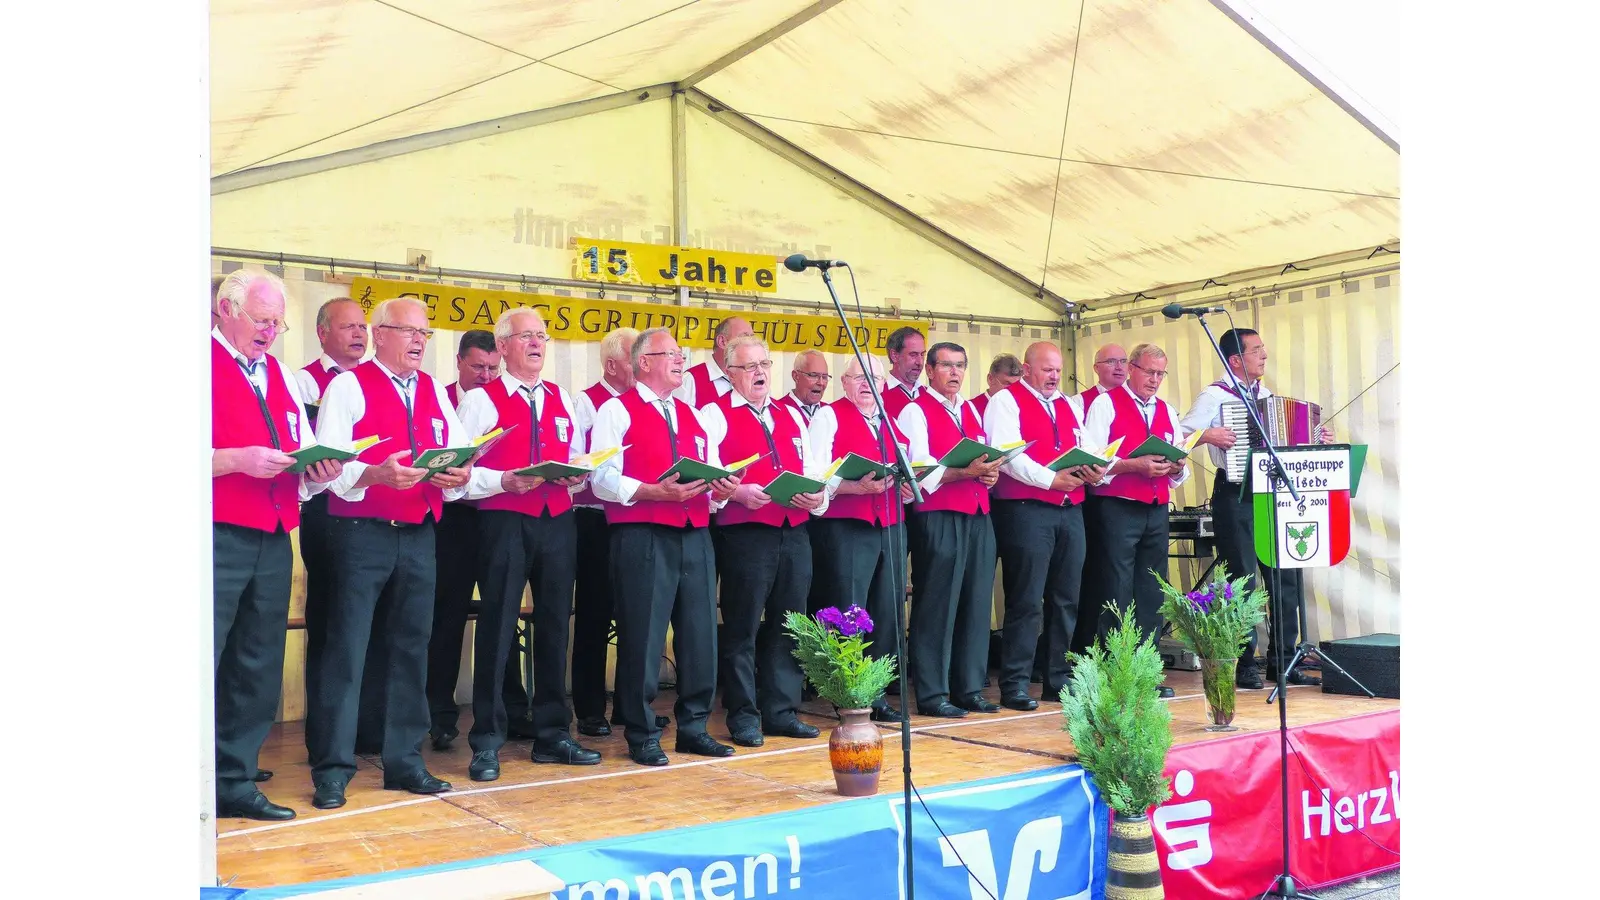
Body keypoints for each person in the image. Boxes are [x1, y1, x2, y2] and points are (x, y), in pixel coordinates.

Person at [307, 297, 472, 809]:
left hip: (420, 531)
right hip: (361, 532)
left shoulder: (432, 391)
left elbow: (461, 450)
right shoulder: (347, 385)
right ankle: (333, 769)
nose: (420, 341)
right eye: (408, 331)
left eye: (425, 333)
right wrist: (375, 473)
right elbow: (330, 466)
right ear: (380, 335)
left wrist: (458, 475)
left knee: (410, 648)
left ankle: (404, 760)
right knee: (347, 649)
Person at [211, 268, 343, 820]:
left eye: (277, 323)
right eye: (261, 320)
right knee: (198, 657)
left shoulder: (283, 377)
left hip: (273, 533)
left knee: (258, 660)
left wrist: (319, 470)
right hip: (212, 533)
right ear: (226, 311)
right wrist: (233, 460)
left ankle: (233, 778)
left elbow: (302, 446)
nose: (270, 332)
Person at [456, 310, 600, 780]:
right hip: (503, 523)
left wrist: (580, 473)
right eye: (526, 337)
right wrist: (501, 480)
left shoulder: (564, 399)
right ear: (503, 346)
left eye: (542, 336)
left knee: (556, 624)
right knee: (498, 626)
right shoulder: (481, 400)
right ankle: (487, 739)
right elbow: (456, 475)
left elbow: (579, 457)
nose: (537, 343)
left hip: (558, 521)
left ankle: (553, 732)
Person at [590, 328, 742, 766]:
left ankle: (694, 728)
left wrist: (722, 490)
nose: (680, 360)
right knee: (644, 634)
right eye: (671, 354)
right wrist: (655, 492)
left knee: (698, 636)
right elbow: (601, 479)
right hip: (643, 533)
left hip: (694, 532)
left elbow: (710, 485)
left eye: (681, 353)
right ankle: (640, 732)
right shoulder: (617, 411)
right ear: (643, 362)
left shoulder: (695, 414)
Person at [1181, 327, 1334, 689]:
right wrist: (1207, 435)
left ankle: (1283, 659)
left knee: (1284, 579)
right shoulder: (1214, 396)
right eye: (1257, 350)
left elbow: (1286, 440)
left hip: (1271, 495)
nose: (1264, 355)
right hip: (1235, 494)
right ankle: (1245, 662)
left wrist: (1316, 437)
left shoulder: (1265, 396)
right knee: (1243, 580)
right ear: (1235, 360)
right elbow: (1178, 433)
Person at [700, 336, 828, 745]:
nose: (759, 373)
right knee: (741, 627)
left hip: (794, 532)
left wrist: (817, 496)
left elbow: (814, 471)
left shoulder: (791, 415)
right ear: (731, 374)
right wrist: (736, 493)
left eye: (764, 365)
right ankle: (743, 715)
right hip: (745, 533)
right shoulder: (713, 414)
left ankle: (782, 710)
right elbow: (707, 477)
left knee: (789, 625)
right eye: (748, 367)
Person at [424, 330, 534, 752]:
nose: (486, 376)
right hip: (452, 522)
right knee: (447, 617)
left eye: (492, 368)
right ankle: (440, 714)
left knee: (502, 614)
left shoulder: (510, 399)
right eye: (477, 367)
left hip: (500, 520)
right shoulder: (442, 400)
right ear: (458, 362)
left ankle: (512, 707)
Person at [983, 342, 1103, 710]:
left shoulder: (1068, 404)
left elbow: (1088, 446)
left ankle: (1057, 679)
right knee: (1026, 598)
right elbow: (1007, 455)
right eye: (1046, 369)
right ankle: (1015, 683)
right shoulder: (1005, 401)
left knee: (1066, 597)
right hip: (1026, 508)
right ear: (1026, 368)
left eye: (1057, 369)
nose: (1053, 376)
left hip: (1071, 509)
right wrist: (1050, 480)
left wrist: (1096, 469)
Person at [805, 355, 916, 722]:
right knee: (850, 608)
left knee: (887, 609)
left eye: (875, 378)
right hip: (847, 525)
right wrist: (853, 485)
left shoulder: (889, 419)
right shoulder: (829, 415)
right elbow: (816, 471)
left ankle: (876, 692)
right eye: (859, 377)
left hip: (890, 523)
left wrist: (907, 487)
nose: (868, 384)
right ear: (845, 381)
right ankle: (847, 692)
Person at [896, 342, 1003, 717]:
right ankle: (932, 693)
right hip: (939, 514)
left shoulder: (971, 408)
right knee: (937, 603)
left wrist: (988, 474)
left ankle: (969, 687)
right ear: (930, 370)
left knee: (976, 602)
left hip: (977, 512)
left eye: (961, 365)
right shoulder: (915, 410)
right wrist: (965, 472)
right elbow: (919, 468)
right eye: (947, 366)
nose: (955, 373)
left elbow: (984, 456)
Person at [1083, 343, 1191, 699]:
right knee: (1115, 588)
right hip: (1117, 506)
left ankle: (1145, 668)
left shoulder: (1166, 409)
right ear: (1131, 368)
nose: (1155, 380)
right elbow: (1093, 459)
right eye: (1149, 372)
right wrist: (1133, 465)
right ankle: (1116, 669)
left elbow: (1180, 462)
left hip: (1157, 507)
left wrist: (1177, 466)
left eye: (1161, 374)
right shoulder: (1105, 403)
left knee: (1150, 590)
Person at [294, 296, 373, 758]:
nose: (359, 335)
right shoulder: (306, 380)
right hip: (324, 511)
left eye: (363, 326)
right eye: (348, 327)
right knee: (331, 624)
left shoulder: (377, 381)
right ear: (323, 332)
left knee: (370, 624)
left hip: (368, 513)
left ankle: (367, 727)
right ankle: (324, 737)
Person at [570, 326, 640, 738]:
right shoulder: (586, 402)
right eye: (635, 356)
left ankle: (630, 706)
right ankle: (590, 707)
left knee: (635, 615)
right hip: (595, 521)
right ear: (613, 364)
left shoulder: (649, 404)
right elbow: (580, 462)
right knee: (595, 614)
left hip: (635, 517)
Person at [1065, 343, 1131, 665]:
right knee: (1088, 576)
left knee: (1112, 578)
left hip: (1122, 502)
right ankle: (1082, 646)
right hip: (1088, 501)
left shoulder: (1140, 403)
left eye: (1123, 361)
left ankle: (1111, 647)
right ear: (1096, 367)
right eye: (1111, 362)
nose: (1119, 367)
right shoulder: (1079, 402)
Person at [677, 316, 754, 409]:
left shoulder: (754, 378)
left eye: (752, 338)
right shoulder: (691, 380)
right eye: (744, 338)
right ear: (722, 342)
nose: (751, 344)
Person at [772, 349, 830, 425]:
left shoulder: (830, 413)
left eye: (825, 377)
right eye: (813, 375)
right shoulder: (777, 410)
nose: (821, 383)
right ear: (796, 376)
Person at [881, 326, 926, 419]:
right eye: (913, 355)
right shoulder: (878, 395)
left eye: (922, 355)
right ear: (894, 355)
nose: (920, 362)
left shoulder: (929, 394)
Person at [970, 353, 1022, 420]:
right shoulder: (971, 409)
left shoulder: (1020, 409)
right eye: (1007, 384)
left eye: (1016, 385)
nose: (1012, 390)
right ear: (990, 379)